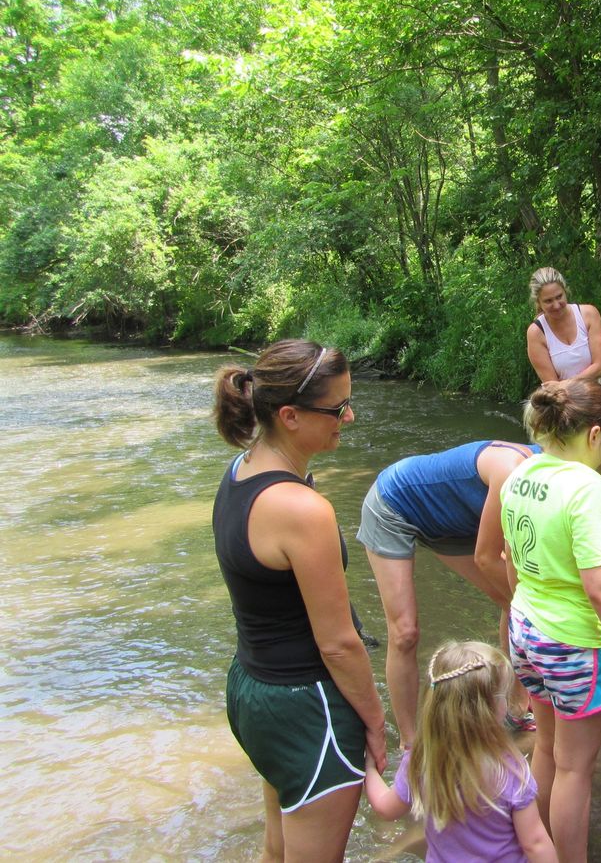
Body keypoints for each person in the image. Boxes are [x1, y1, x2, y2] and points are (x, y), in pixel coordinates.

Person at [211, 339, 386, 861]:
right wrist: (376, 722)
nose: (349, 417)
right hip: (306, 706)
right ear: (289, 415)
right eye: (337, 408)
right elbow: (337, 643)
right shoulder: (302, 509)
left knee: (277, 849)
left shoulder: (239, 473)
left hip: (251, 691)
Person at [503, 379, 601, 862]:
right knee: (576, 770)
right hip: (572, 641)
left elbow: (508, 554)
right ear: (595, 435)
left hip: (525, 627)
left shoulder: (521, 472)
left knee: (549, 748)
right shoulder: (588, 489)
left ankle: (538, 847)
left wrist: (523, 607)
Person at [358, 440, 539, 746]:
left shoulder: (564, 480)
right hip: (394, 505)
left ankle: (517, 708)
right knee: (405, 632)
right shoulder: (517, 471)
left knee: (512, 601)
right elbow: (486, 558)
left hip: (454, 522)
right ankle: (410, 744)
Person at [363, 641, 557, 863]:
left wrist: (369, 769)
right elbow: (535, 843)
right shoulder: (510, 769)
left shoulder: (421, 761)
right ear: (491, 710)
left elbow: (386, 808)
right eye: (504, 696)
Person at [526, 267, 601, 391]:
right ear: (538, 302)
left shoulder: (588, 314)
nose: (556, 305)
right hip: (566, 406)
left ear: (566, 291)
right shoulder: (536, 333)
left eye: (559, 297)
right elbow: (552, 387)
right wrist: (562, 386)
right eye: (548, 301)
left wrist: (564, 384)